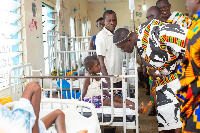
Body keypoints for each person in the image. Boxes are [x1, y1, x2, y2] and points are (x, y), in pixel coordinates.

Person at [113, 20, 189, 132]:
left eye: (122, 47)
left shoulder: (156, 33)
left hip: (179, 80)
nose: (123, 50)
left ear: (129, 40)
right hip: (162, 85)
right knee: (165, 123)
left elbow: (191, 43)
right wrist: (150, 70)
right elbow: (149, 62)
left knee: (179, 121)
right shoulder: (138, 42)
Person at [0, 82, 88, 133]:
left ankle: (35, 127)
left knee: (58, 113)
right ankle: (35, 130)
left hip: (17, 122)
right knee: (33, 86)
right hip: (17, 127)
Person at [80, 55, 152, 113]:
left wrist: (108, 93)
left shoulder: (98, 75)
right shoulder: (88, 76)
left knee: (116, 97)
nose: (100, 66)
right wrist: (78, 102)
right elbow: (84, 91)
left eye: (99, 64)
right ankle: (133, 108)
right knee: (109, 101)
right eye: (97, 65)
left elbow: (99, 88)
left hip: (99, 95)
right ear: (90, 69)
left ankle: (138, 106)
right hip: (91, 99)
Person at [176, 0, 200, 132]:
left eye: (187, 0)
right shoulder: (195, 23)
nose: (185, 4)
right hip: (192, 96)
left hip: (196, 98)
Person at [95, 10, 122, 89]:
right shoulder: (101, 36)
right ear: (104, 21)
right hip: (108, 80)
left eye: (114, 20)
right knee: (111, 101)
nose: (112, 23)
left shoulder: (117, 31)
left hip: (118, 77)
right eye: (109, 21)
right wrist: (108, 81)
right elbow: (101, 61)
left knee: (120, 100)